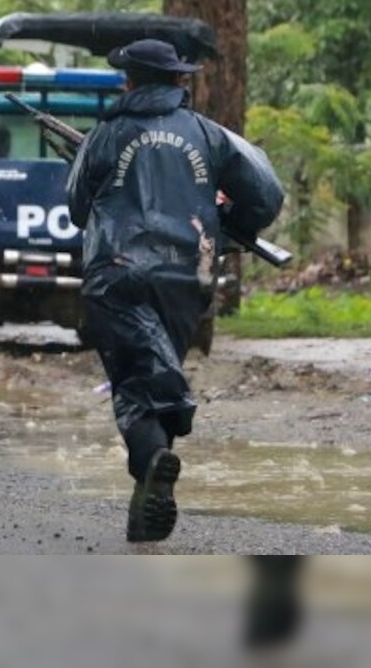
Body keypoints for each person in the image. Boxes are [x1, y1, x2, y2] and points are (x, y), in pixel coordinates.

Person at [67, 39, 284, 543]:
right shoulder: (209, 135)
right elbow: (267, 192)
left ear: (129, 81)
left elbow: (77, 207)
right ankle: (146, 504)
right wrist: (230, 224)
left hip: (117, 274)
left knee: (133, 379)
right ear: (179, 83)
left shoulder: (105, 135)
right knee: (158, 373)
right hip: (189, 275)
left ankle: (152, 460)